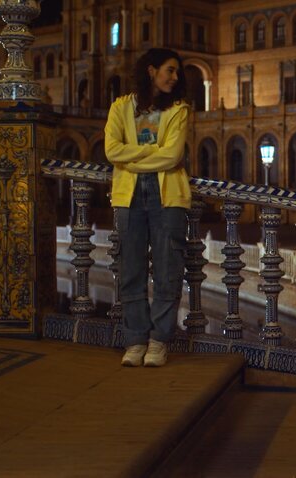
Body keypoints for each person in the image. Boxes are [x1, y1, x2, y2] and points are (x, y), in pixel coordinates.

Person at [104, 48, 191, 367]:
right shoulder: (120, 107)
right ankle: (135, 340)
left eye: (177, 72)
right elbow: (111, 150)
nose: (175, 77)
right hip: (128, 197)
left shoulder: (179, 109)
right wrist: (153, 153)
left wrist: (133, 158)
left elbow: (172, 156)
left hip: (168, 197)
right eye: (170, 70)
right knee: (131, 270)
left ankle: (158, 341)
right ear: (151, 71)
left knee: (168, 270)